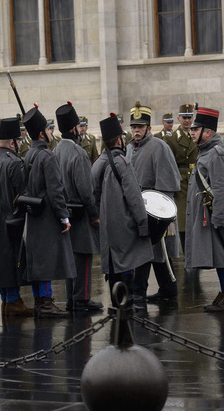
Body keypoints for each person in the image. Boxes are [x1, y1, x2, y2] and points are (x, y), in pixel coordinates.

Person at [186, 107, 224, 312]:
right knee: (221, 256)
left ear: (208, 132)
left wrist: (217, 219)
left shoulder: (217, 153)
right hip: (209, 215)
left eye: (196, 129)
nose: (191, 132)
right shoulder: (207, 152)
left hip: (215, 216)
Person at [125, 102, 181, 306]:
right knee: (152, 251)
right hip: (137, 208)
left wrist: (162, 214)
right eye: (134, 127)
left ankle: (139, 292)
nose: (136, 130)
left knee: (153, 249)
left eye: (140, 127)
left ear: (148, 128)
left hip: (156, 209)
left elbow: (168, 183)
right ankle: (168, 288)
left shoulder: (160, 147)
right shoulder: (129, 148)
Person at [91, 114, 153, 298]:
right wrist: (143, 224)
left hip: (106, 226)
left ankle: (117, 304)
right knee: (128, 262)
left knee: (112, 265)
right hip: (124, 226)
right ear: (119, 140)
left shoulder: (97, 164)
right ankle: (127, 306)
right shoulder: (123, 163)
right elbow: (134, 198)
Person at [20, 106, 74, 318]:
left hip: (33, 214)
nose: (52, 132)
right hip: (47, 215)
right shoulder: (47, 156)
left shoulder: (29, 154)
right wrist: (64, 216)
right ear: (42, 133)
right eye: (48, 129)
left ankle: (41, 301)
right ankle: (45, 302)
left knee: (37, 259)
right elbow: (56, 189)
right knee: (45, 260)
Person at [53, 103, 102, 312]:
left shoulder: (56, 150)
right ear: (74, 129)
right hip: (80, 211)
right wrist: (94, 214)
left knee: (70, 256)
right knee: (83, 256)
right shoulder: (78, 153)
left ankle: (72, 297)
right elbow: (85, 189)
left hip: (64, 211)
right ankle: (81, 298)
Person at [0, 116, 33, 317]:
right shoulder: (13, 163)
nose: (20, 145)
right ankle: (13, 300)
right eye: (19, 141)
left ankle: (8, 299)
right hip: (12, 217)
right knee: (13, 259)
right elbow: (21, 192)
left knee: (1, 260)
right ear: (12, 143)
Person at [163, 104, 199, 255]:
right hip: (181, 183)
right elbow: (167, 163)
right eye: (184, 118)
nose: (187, 121)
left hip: (195, 180)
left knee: (196, 219)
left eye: (189, 117)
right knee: (183, 221)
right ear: (178, 118)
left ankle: (195, 254)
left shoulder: (197, 135)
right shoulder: (171, 138)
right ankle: (187, 253)